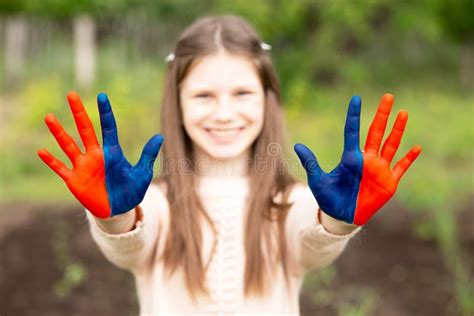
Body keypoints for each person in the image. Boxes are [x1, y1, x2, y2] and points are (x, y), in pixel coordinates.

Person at [38, 15, 421, 316]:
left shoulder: (293, 201)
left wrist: (338, 221)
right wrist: (116, 217)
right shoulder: (153, 203)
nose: (224, 113)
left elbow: (312, 245)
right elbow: (129, 248)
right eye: (204, 95)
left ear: (268, 99)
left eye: (242, 93)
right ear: (178, 103)